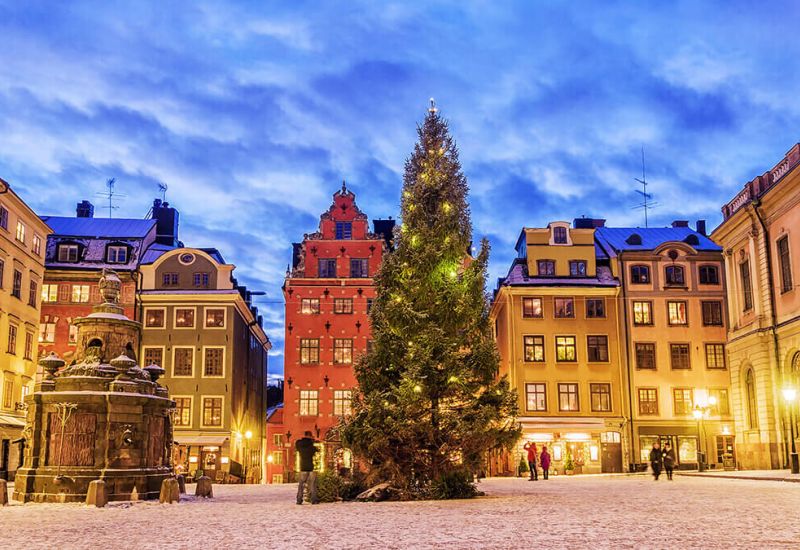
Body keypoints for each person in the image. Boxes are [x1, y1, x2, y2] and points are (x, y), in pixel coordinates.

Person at [295, 430, 319, 504]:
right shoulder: (311, 446)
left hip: (302, 466)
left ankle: (299, 500)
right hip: (310, 467)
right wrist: (312, 441)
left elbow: (297, 444)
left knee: (301, 485)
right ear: (310, 436)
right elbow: (316, 450)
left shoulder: (299, 444)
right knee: (312, 484)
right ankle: (314, 499)